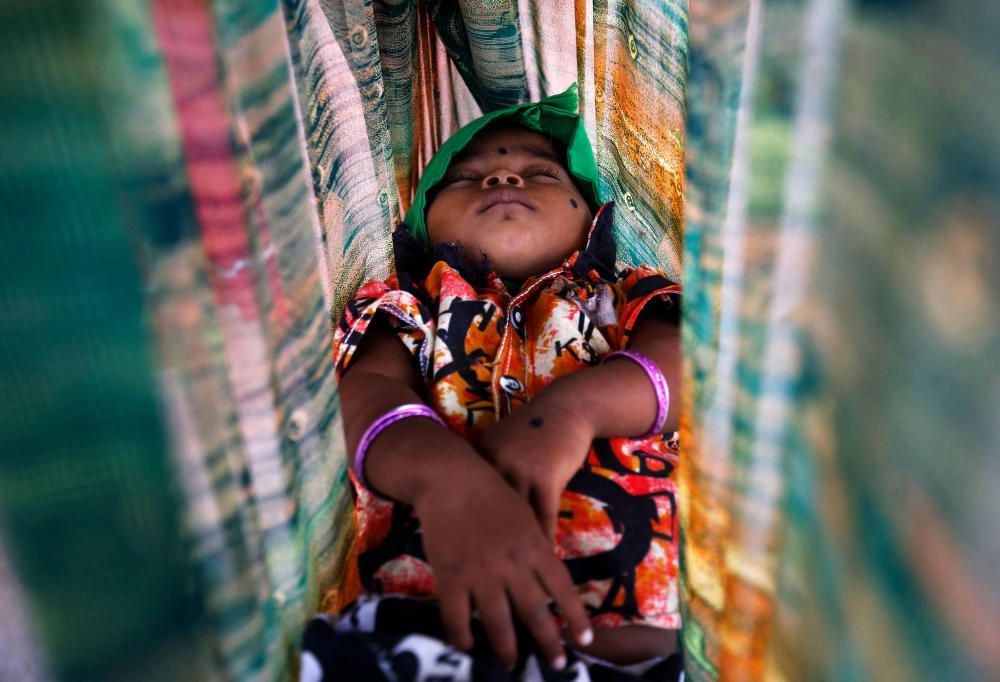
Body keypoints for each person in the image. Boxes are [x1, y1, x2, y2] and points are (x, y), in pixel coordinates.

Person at [302, 85, 684, 682]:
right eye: (465, 178)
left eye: (541, 172)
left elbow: (691, 370)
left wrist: (572, 412)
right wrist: (444, 480)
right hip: (428, 638)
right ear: (424, 226)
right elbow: (360, 398)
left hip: (640, 651)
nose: (503, 179)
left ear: (592, 220)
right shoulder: (406, 307)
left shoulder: (626, 296)